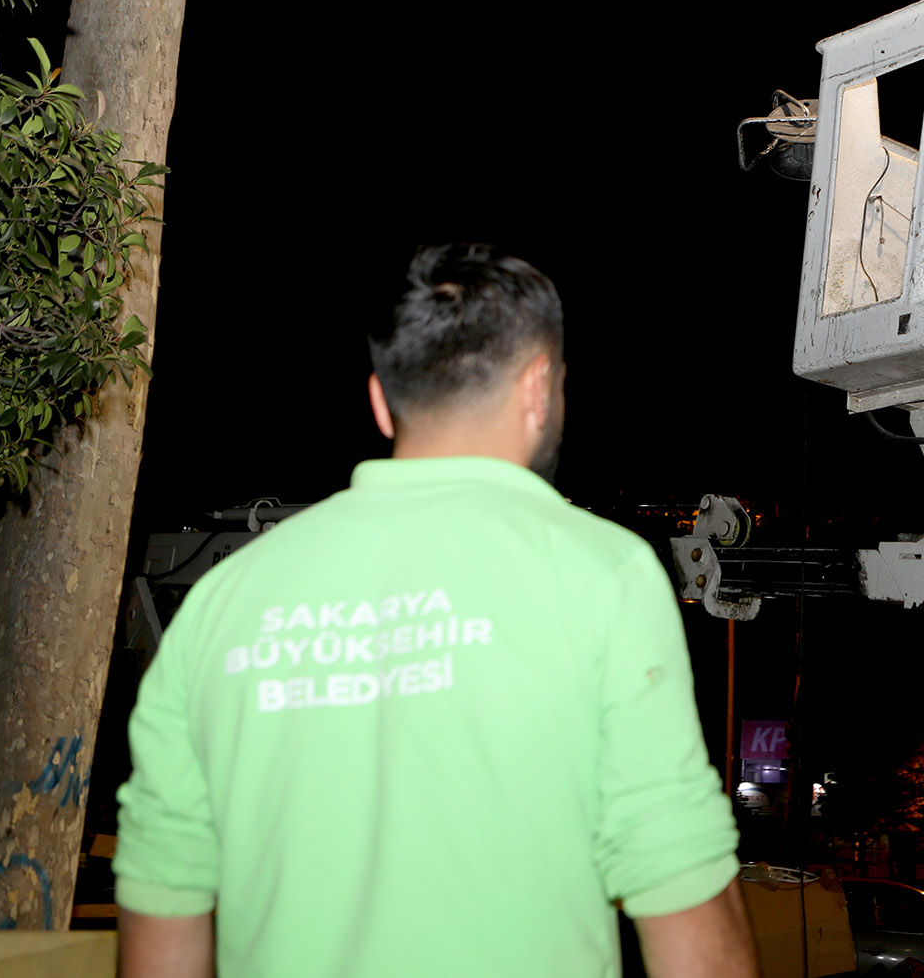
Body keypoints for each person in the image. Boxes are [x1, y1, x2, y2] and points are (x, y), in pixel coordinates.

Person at [112, 244, 757, 978]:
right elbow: (679, 886)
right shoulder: (603, 573)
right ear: (539, 388)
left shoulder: (221, 601)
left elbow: (163, 912)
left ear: (381, 402)